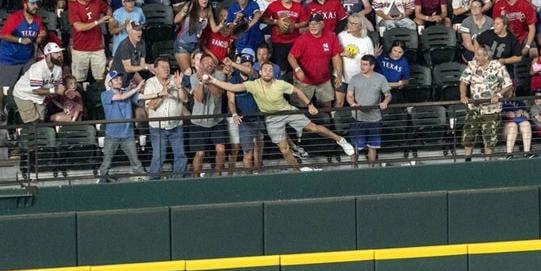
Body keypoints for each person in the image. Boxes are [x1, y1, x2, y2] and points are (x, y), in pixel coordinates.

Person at [203, 61, 352, 169]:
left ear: (273, 73)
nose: (268, 71)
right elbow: (232, 87)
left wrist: (310, 105)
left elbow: (298, 91)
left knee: (313, 128)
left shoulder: (280, 84)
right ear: (260, 73)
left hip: (287, 111)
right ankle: (298, 170)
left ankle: (340, 140)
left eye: (270, 69)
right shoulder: (253, 85)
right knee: (284, 149)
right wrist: (213, 80)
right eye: (265, 69)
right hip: (272, 119)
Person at [459, 44, 513, 161]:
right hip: (474, 107)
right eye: (476, 54)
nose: (476, 57)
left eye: (478, 55)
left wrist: (498, 94)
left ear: (486, 56)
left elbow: (508, 84)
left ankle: (487, 162)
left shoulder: (497, 66)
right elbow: (463, 82)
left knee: (490, 136)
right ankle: (467, 160)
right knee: (469, 134)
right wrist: (463, 95)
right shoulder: (472, 66)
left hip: (491, 109)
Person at [141, 56, 189, 178]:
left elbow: (185, 99)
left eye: (167, 66)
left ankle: (177, 182)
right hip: (158, 128)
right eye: (162, 67)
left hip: (176, 126)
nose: (166, 69)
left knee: (180, 155)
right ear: (155, 69)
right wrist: (163, 92)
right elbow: (151, 106)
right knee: (158, 157)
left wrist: (179, 87)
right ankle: (154, 182)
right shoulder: (150, 83)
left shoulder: (175, 79)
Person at [99, 70, 147, 181]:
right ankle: (102, 182)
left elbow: (140, 97)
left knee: (136, 162)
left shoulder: (127, 92)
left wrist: (159, 94)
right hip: (112, 135)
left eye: (120, 79)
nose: (119, 81)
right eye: (115, 79)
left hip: (128, 134)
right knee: (106, 163)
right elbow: (121, 97)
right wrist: (136, 88)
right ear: (109, 83)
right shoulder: (105, 94)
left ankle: (145, 180)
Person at [345, 54, 390, 166]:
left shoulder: (381, 78)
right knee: (356, 147)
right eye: (361, 64)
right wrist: (353, 104)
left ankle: (372, 169)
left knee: (373, 146)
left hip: (375, 119)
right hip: (358, 118)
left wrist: (385, 102)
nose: (362, 66)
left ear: (372, 66)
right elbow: (349, 96)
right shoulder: (354, 79)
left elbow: (388, 94)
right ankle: (353, 169)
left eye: (365, 64)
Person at [11, 42, 66, 123]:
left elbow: (58, 85)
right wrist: (54, 90)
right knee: (33, 121)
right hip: (24, 94)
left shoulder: (58, 68)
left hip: (40, 96)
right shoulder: (38, 68)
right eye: (56, 53)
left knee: (41, 120)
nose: (59, 55)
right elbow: (36, 90)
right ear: (47, 55)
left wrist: (64, 91)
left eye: (60, 52)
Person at [68, 0, 110, 83]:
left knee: (102, 79)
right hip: (80, 49)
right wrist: (98, 22)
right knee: (78, 81)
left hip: (97, 48)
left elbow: (108, 9)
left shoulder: (97, 2)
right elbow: (79, 27)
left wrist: (109, 16)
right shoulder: (73, 6)